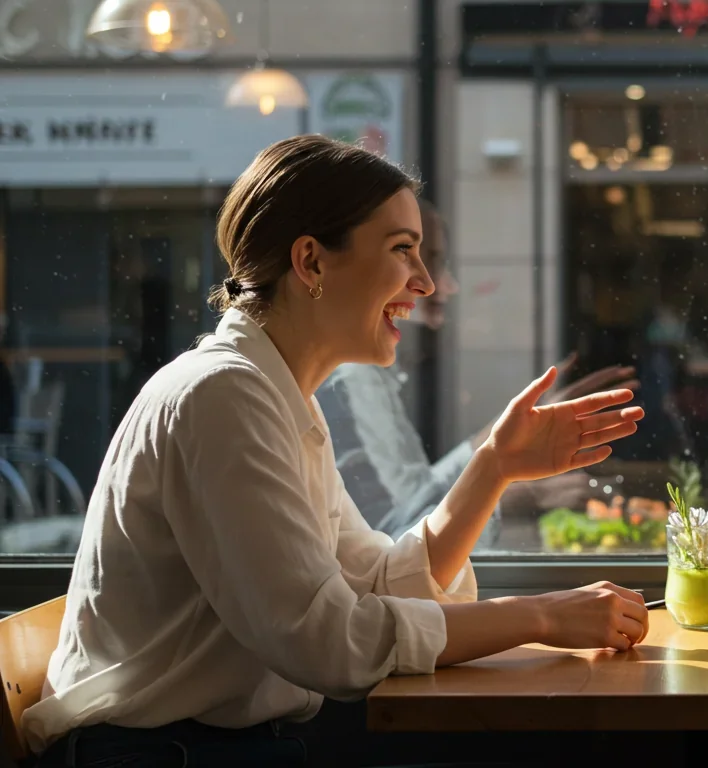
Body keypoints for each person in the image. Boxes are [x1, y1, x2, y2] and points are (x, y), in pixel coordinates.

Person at [22, 135, 651, 766]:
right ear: (312, 263)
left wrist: (495, 467)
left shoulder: (274, 395)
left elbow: (376, 583)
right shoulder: (222, 398)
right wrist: (542, 617)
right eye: (404, 250)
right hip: (161, 756)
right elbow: (328, 642)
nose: (426, 282)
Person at [317, 198, 638, 547]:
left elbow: (415, 495)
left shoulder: (362, 374)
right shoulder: (349, 378)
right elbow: (395, 540)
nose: (440, 284)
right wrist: (517, 496)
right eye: (412, 257)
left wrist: (501, 434)